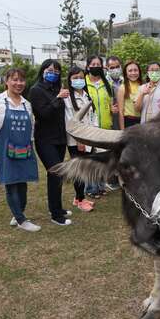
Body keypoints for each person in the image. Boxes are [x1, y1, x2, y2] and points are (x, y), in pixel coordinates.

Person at [0, 68, 40, 232]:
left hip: (23, 148)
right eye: (14, 79)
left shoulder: (26, 104)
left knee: (22, 184)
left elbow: (31, 130)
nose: (18, 83)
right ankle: (21, 220)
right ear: (6, 81)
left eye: (21, 80)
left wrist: (30, 147)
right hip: (4, 150)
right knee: (11, 184)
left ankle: (18, 212)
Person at [29, 59, 72, 226]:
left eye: (56, 71)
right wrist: (58, 98)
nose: (53, 73)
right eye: (49, 70)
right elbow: (43, 114)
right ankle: (55, 215)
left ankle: (57, 208)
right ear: (42, 71)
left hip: (60, 138)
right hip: (45, 139)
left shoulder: (57, 88)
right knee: (55, 174)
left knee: (56, 175)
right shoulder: (36, 90)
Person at [63, 66, 96, 212]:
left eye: (81, 77)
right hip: (76, 140)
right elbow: (71, 121)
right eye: (75, 78)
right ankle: (81, 200)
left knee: (84, 169)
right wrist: (80, 140)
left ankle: (78, 197)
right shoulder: (68, 99)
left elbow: (92, 117)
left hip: (88, 137)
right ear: (69, 80)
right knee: (79, 171)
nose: (78, 80)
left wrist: (94, 135)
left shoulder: (87, 95)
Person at [85, 55, 115, 198]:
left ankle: (101, 186)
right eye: (93, 64)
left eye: (98, 64)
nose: (96, 66)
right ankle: (91, 188)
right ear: (88, 66)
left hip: (105, 126)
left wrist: (112, 109)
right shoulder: (83, 83)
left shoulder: (106, 82)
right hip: (89, 127)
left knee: (103, 157)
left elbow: (110, 102)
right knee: (91, 158)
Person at [117, 60, 143, 129]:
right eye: (130, 71)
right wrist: (122, 130)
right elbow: (120, 112)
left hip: (143, 122)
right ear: (126, 73)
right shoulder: (123, 88)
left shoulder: (143, 86)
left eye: (135, 70)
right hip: (129, 122)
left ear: (139, 72)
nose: (133, 73)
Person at [106, 55, 124, 130]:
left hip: (124, 117)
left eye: (117, 66)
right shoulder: (104, 83)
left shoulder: (124, 81)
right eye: (112, 68)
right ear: (107, 68)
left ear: (120, 66)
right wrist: (109, 107)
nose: (115, 69)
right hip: (110, 118)